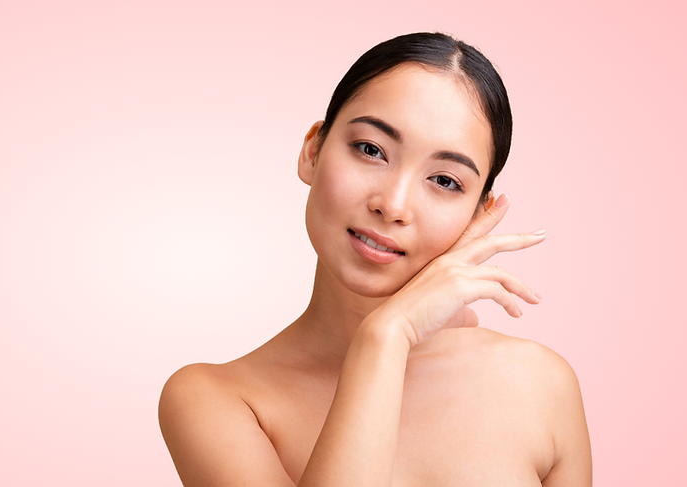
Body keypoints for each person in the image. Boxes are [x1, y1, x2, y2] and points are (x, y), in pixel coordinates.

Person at [158, 32, 592, 486]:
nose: (393, 205)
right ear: (313, 150)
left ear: (480, 213)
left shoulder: (541, 384)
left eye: (445, 181)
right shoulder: (216, 400)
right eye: (371, 150)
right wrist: (387, 336)